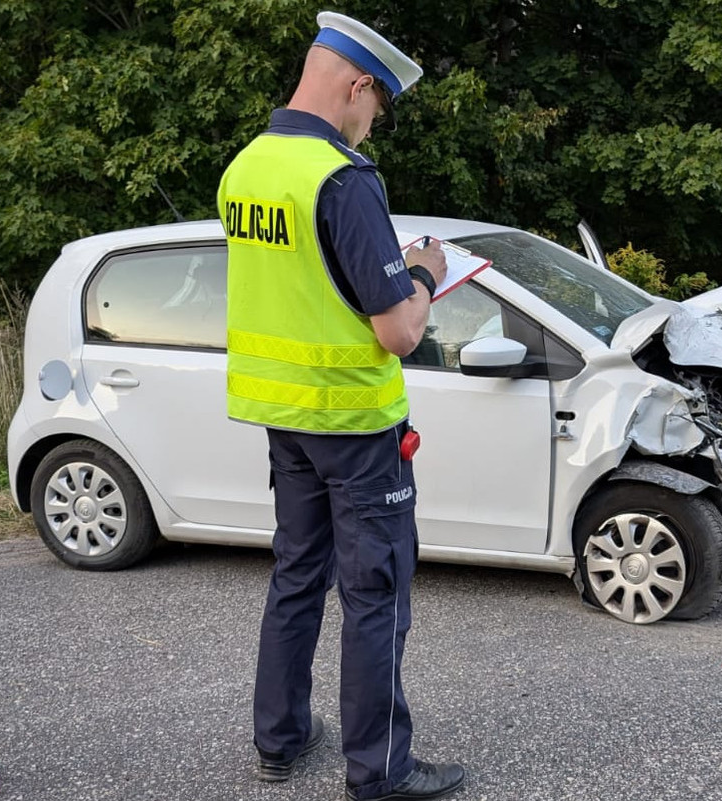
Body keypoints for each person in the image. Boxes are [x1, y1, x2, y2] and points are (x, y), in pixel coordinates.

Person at [216, 11, 464, 801]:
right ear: (358, 85)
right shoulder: (342, 179)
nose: (370, 125)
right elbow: (398, 329)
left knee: (296, 573)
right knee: (375, 592)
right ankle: (380, 769)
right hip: (357, 425)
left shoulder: (246, 168)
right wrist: (423, 270)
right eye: (375, 107)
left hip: (282, 415)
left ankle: (279, 738)